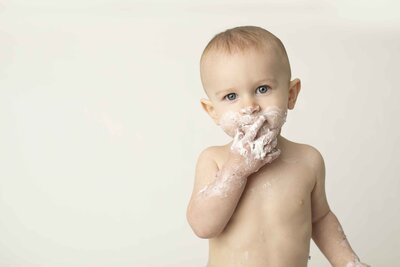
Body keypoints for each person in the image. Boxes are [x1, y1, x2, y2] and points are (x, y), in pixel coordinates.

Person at [186, 25, 370, 267]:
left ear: (291, 94)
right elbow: (202, 226)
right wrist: (236, 170)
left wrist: (348, 262)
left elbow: (321, 219)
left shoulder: (307, 160)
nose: (249, 106)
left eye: (262, 89)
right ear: (213, 111)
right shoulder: (215, 160)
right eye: (231, 96)